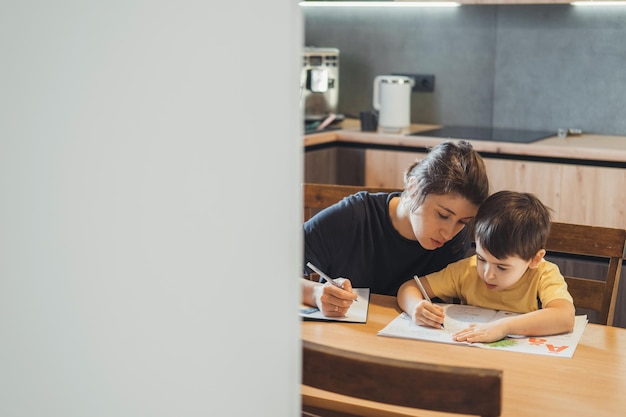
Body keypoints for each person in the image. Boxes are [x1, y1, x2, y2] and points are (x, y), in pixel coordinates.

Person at [302, 140, 490, 317]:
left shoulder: (456, 240)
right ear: (414, 188)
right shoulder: (353, 216)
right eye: (442, 215)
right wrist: (315, 294)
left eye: (462, 222)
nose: (448, 233)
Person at [397, 190, 576, 343]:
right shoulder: (467, 270)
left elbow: (565, 317)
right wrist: (415, 307)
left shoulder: (543, 274)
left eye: (502, 267)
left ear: (534, 259)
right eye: (482, 259)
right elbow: (409, 287)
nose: (488, 274)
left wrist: (504, 327)